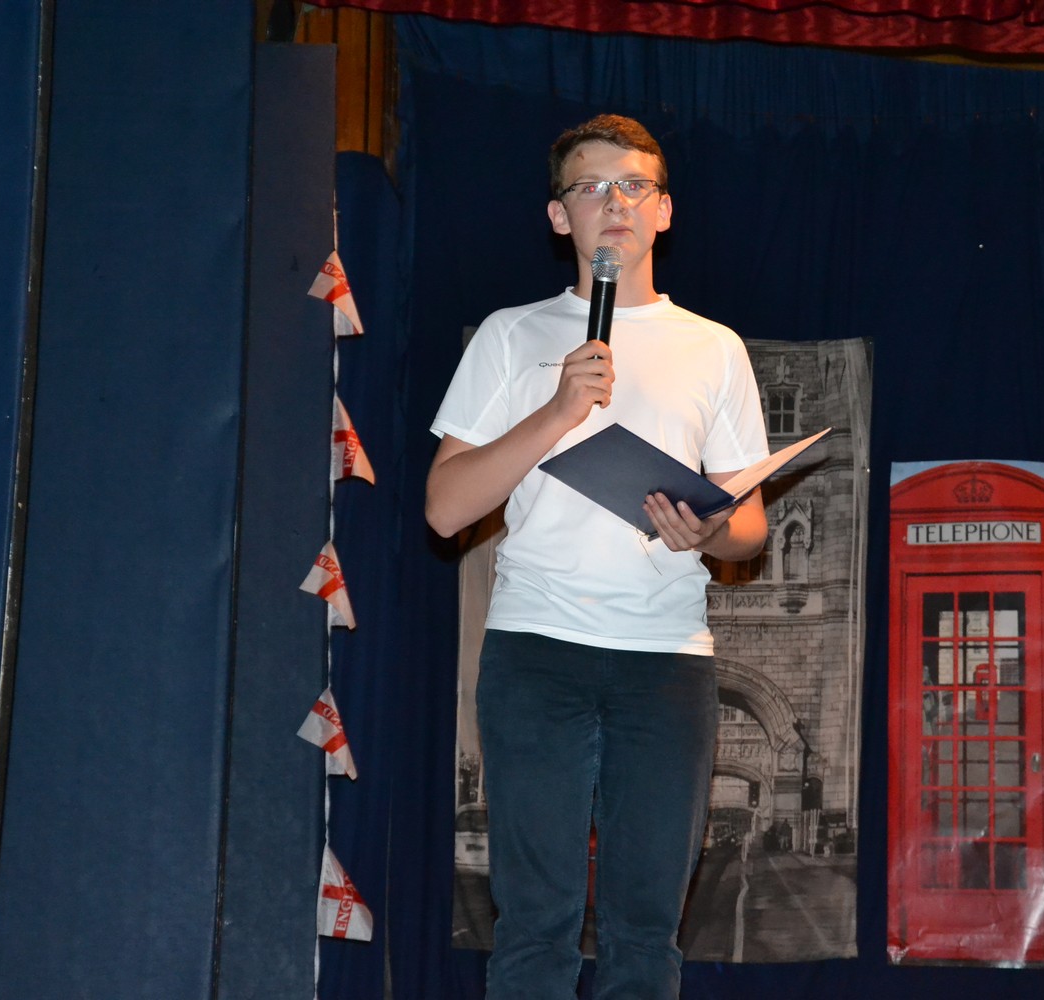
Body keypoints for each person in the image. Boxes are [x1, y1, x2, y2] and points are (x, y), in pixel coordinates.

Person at [424, 114, 770, 1000]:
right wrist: (557, 412)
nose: (613, 202)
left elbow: (751, 529)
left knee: (645, 931)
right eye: (590, 187)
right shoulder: (511, 335)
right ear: (558, 216)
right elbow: (445, 507)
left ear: (664, 211)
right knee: (534, 925)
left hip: (666, 660)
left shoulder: (714, 347)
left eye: (634, 186)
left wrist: (709, 531)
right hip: (536, 651)